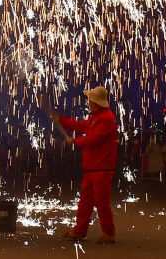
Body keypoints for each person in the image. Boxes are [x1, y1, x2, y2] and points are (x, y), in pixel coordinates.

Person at [50, 86, 118, 244]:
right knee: (85, 202)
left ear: (95, 102)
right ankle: (80, 231)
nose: (88, 103)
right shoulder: (96, 117)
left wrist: (75, 141)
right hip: (92, 167)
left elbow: (95, 140)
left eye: (90, 100)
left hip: (102, 167)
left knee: (101, 202)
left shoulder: (107, 119)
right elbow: (79, 126)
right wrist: (61, 119)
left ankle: (109, 233)